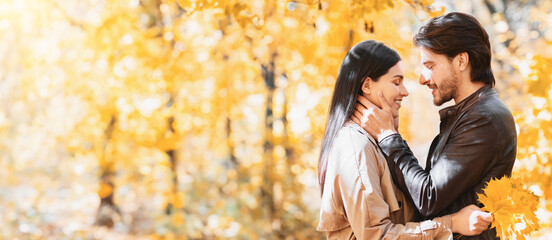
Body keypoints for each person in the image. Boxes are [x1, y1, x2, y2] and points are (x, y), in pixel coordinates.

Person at [351, 13, 517, 240]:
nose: (422, 78)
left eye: (429, 65)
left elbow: (428, 197)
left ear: (461, 61)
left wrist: (387, 136)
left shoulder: (483, 118)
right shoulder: (472, 113)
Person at [317, 40, 492, 239]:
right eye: (396, 82)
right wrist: (452, 223)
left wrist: (392, 135)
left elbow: (409, 213)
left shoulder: (374, 141)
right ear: (367, 85)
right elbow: (378, 236)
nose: (405, 91)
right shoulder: (355, 145)